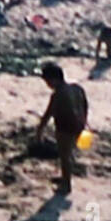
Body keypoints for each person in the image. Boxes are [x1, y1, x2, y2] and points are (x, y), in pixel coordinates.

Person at [35, 62, 88, 194]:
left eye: (47, 81)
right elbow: (85, 105)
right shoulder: (77, 88)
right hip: (78, 125)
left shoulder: (57, 95)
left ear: (53, 79)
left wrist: (40, 131)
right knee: (69, 153)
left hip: (65, 127)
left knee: (64, 156)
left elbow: (48, 114)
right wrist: (83, 121)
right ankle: (65, 177)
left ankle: (66, 184)